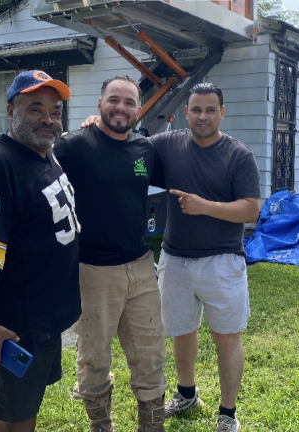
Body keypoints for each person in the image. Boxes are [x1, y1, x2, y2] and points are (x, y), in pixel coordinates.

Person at [81, 82, 260, 432]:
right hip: (175, 258)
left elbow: (251, 209)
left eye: (210, 110)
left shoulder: (238, 155)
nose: (203, 116)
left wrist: (204, 207)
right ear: (185, 113)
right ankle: (187, 394)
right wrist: (96, 125)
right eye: (196, 109)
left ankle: (228, 414)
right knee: (181, 330)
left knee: (226, 336)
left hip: (223, 260)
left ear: (222, 113)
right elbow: (127, 143)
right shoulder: (166, 144)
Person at [0, 70, 80, 432]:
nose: (48, 119)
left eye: (55, 111)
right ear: (10, 112)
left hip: (43, 320)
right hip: (14, 324)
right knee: (6, 416)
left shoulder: (43, 153)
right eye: (36, 109)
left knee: (24, 409)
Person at [54, 76, 167, 432]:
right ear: (99, 104)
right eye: (114, 100)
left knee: (150, 353)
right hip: (92, 270)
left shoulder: (145, 150)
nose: (121, 108)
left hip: (140, 266)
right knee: (94, 356)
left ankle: (152, 426)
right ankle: (101, 425)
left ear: (138, 109)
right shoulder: (72, 147)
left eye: (129, 102)